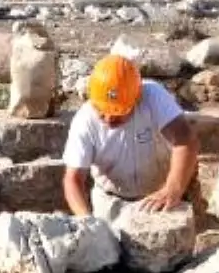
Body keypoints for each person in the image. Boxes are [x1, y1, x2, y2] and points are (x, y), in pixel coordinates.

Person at [62, 54, 200, 221]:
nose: (109, 119)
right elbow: (74, 179)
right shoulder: (84, 120)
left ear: (136, 99)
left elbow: (185, 140)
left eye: (118, 113)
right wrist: (86, 220)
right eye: (102, 112)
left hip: (160, 195)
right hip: (112, 201)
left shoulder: (152, 96)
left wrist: (173, 189)